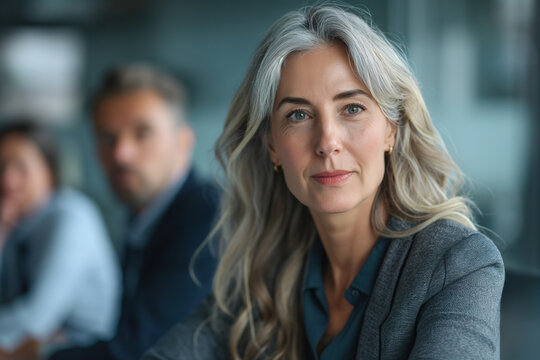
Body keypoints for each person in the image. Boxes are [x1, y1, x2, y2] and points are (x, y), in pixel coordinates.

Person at [143, 5, 505, 360]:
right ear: (272, 146)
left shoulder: (458, 264)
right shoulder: (266, 270)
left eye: (352, 108)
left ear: (391, 130)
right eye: (298, 115)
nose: (327, 142)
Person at [50, 65, 220, 360]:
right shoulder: (142, 219)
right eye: (107, 138)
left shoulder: (207, 219)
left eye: (142, 133)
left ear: (183, 142)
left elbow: (137, 349)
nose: (121, 154)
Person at [0, 121, 120, 355]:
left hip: (85, 353)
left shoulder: (71, 216)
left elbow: (36, 319)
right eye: (1, 167)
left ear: (49, 171)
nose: (8, 180)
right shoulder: (18, 225)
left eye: (21, 167)